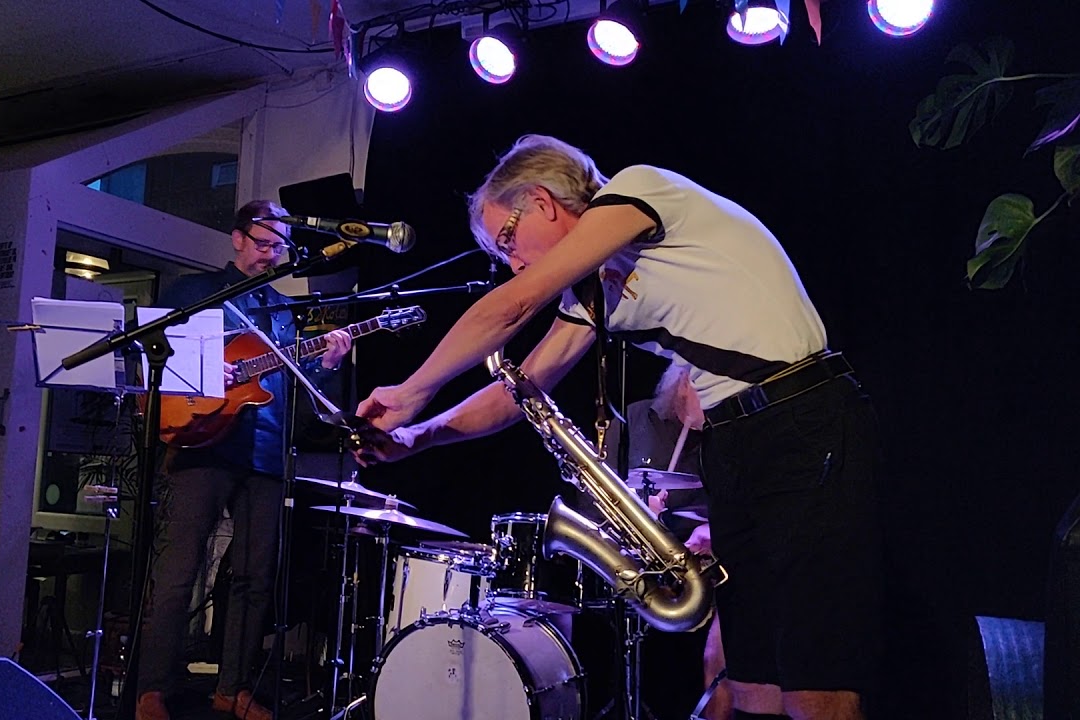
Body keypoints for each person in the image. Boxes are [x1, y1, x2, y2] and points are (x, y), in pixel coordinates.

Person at [353, 135, 881, 720]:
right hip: (733, 441)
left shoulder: (639, 187)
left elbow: (512, 306)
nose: (513, 262)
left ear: (542, 201)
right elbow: (520, 389)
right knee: (753, 681)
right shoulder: (598, 291)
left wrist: (411, 390)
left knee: (816, 683)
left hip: (800, 416)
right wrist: (419, 434)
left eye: (507, 238)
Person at [136, 200, 353, 720]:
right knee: (178, 571)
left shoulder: (281, 310)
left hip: (265, 454)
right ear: (236, 239)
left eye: (278, 246)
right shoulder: (193, 292)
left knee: (254, 579)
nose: (270, 254)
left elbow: (295, 397)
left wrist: (324, 364)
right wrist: (211, 373)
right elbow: (154, 355)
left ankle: (231, 689)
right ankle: (151, 689)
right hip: (200, 442)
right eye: (262, 243)